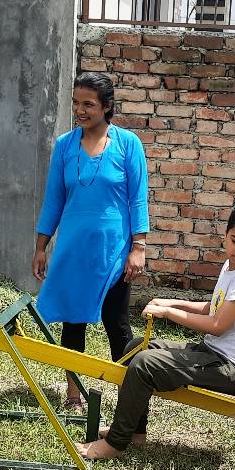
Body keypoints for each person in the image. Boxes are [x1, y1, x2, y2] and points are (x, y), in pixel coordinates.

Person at [77, 200, 235, 459]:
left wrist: (168, 313)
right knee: (136, 348)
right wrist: (169, 301)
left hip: (230, 370)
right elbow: (213, 308)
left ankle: (115, 443)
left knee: (145, 363)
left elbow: (216, 325)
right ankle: (135, 431)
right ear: (225, 234)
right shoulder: (232, 267)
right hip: (213, 354)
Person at [32, 72, 150, 411]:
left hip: (113, 253)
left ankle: (132, 407)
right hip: (72, 250)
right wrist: (41, 247)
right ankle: (73, 396)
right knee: (73, 321)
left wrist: (138, 247)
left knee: (118, 324)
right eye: (76, 103)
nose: (80, 111)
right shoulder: (65, 146)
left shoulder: (129, 145)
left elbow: (138, 200)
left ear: (107, 106)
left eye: (89, 104)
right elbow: (53, 200)